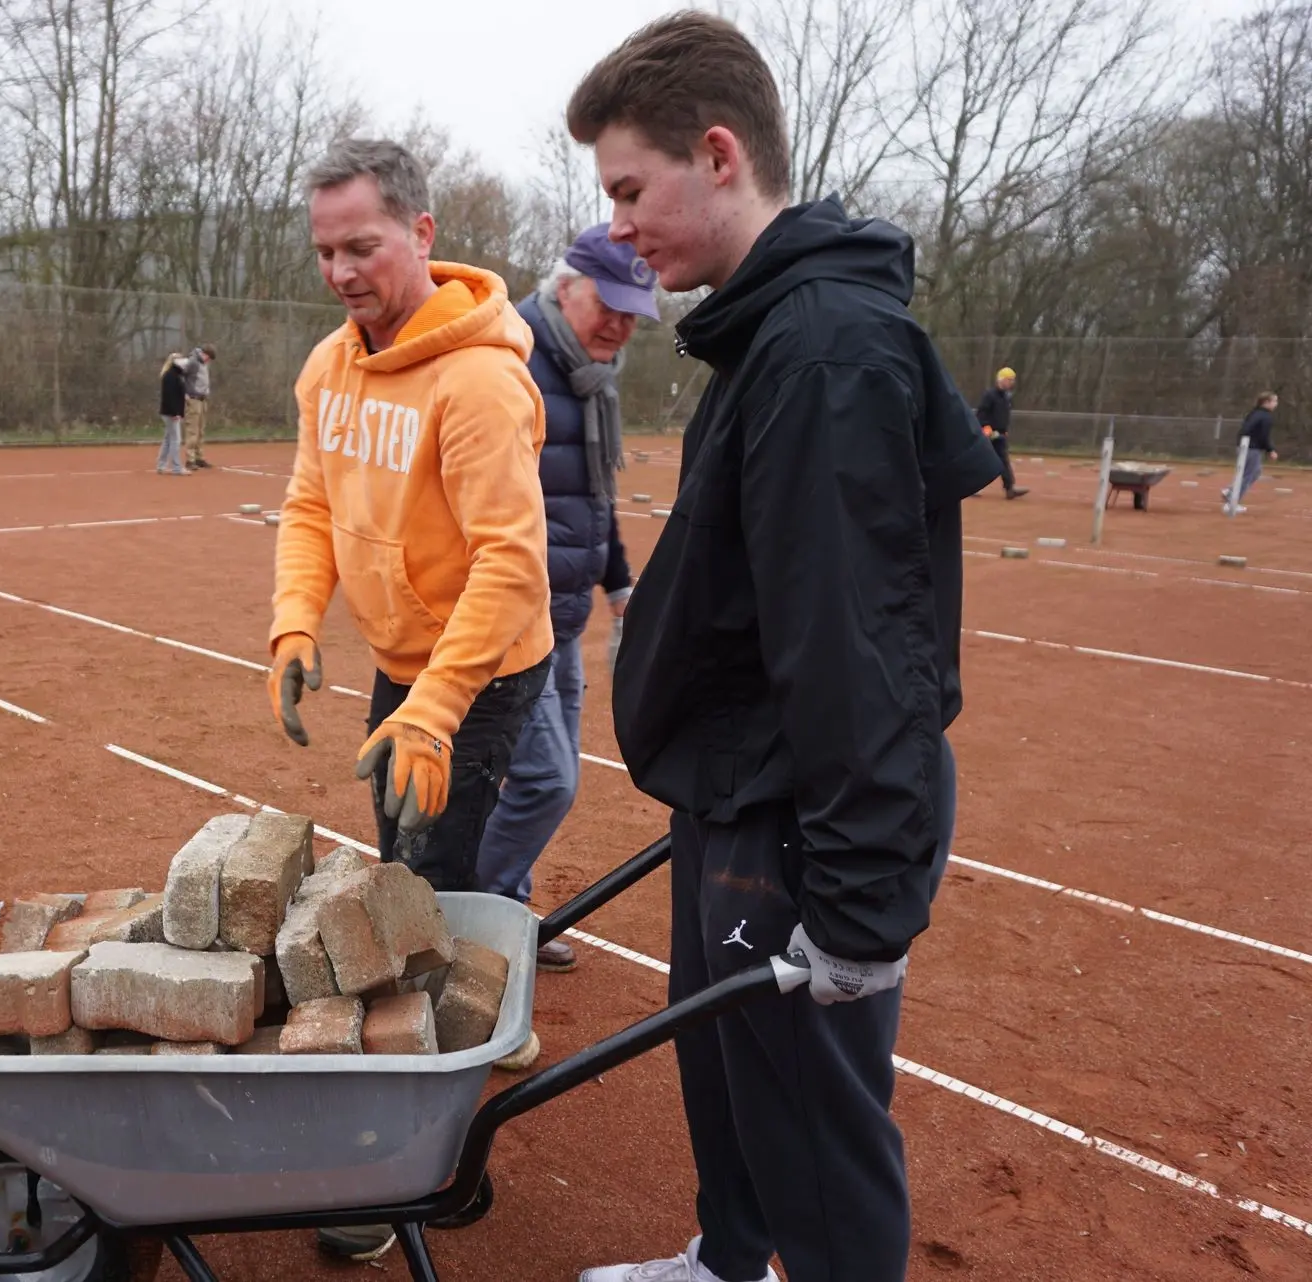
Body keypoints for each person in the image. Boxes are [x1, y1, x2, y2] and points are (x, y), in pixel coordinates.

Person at [566, 13, 1000, 1282]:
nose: (618, 226)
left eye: (629, 190)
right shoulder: (767, 331)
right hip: (737, 786)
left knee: (815, 1126)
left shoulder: (824, 352)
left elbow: (860, 648)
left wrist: (859, 904)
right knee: (731, 1071)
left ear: (718, 154)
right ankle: (729, 1259)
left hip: (799, 817)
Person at [266, 138, 555, 1261]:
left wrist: (436, 707)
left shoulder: (478, 380)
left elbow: (511, 564)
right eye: (324, 251)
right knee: (408, 861)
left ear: (422, 234)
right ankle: (481, 1017)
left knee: (426, 881)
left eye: (362, 246)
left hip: (481, 670)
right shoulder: (327, 369)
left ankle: (403, 1154)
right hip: (405, 663)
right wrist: (297, 621)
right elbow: (308, 505)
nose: (340, 271)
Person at [474, 223, 655, 983]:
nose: (620, 324)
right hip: (514, 616)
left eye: (633, 313)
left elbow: (591, 494)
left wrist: (619, 581)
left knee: (536, 775)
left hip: (566, 612)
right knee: (548, 779)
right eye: (609, 305)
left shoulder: (590, 376)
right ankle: (471, 920)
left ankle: (505, 908)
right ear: (567, 286)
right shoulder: (510, 359)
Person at [977, 366, 1029, 499]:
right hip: (988, 434)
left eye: (1013, 380)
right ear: (1001, 380)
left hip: (999, 435)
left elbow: (1004, 416)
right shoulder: (989, 395)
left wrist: (1004, 430)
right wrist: (986, 427)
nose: (1012, 383)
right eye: (1009, 380)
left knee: (1003, 460)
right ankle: (968, 487)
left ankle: (1009, 488)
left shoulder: (1007, 397)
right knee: (980, 460)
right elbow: (982, 413)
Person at [1224, 392, 1280, 512]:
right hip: (1251, 448)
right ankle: (1232, 501)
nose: (1276, 404)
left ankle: (1230, 491)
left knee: (1255, 472)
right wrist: (1270, 450)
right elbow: (1263, 435)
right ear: (1266, 402)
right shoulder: (1265, 416)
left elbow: (1246, 430)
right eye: (1274, 401)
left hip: (1246, 446)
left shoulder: (1254, 413)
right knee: (1249, 474)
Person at [181, 344, 216, 469]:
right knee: (193, 430)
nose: (208, 361)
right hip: (193, 399)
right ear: (204, 354)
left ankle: (199, 457)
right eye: (208, 358)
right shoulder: (192, 362)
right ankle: (190, 460)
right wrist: (184, 393)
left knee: (201, 430)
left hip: (202, 399)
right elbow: (180, 376)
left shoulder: (204, 364)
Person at [156, 353, 189, 475]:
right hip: (170, 413)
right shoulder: (170, 376)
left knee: (168, 439)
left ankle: (161, 465)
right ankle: (177, 467)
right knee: (176, 440)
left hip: (170, 412)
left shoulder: (177, 375)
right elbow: (170, 397)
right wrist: (175, 412)